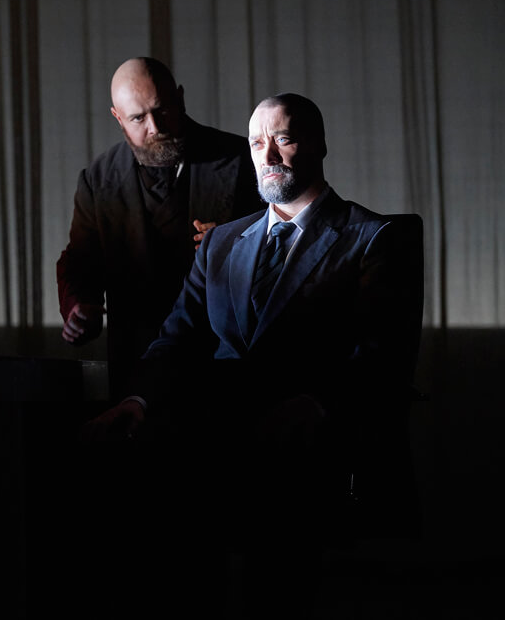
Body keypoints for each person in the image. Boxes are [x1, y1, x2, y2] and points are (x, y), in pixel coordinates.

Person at [80, 92, 424, 618]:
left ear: (319, 145)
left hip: (303, 439)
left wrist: (314, 405)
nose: (266, 156)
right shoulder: (222, 244)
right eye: (256, 143)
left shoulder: (371, 237)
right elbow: (176, 338)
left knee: (259, 514)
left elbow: (380, 356)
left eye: (282, 139)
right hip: (215, 430)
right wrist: (139, 399)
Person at [56, 57, 264, 396]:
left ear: (180, 99)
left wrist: (237, 242)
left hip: (222, 362)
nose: (155, 127)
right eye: (138, 118)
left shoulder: (241, 158)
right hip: (135, 365)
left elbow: (283, 241)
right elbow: (81, 259)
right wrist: (78, 306)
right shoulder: (97, 180)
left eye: (162, 109)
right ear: (117, 118)